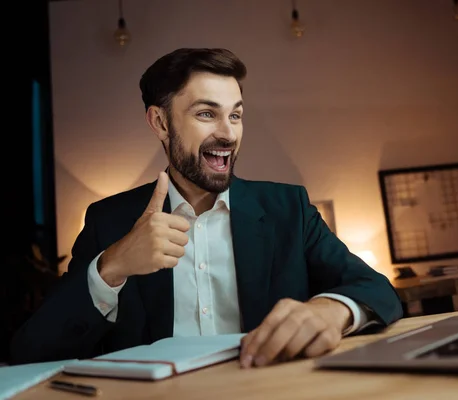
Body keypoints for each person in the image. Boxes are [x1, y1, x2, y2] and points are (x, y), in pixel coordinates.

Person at [10, 48, 403, 368]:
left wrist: (330, 311)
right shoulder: (108, 221)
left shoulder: (289, 208)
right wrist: (111, 268)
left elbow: (377, 290)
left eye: (235, 115)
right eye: (206, 114)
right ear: (161, 123)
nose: (228, 133)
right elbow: (31, 351)